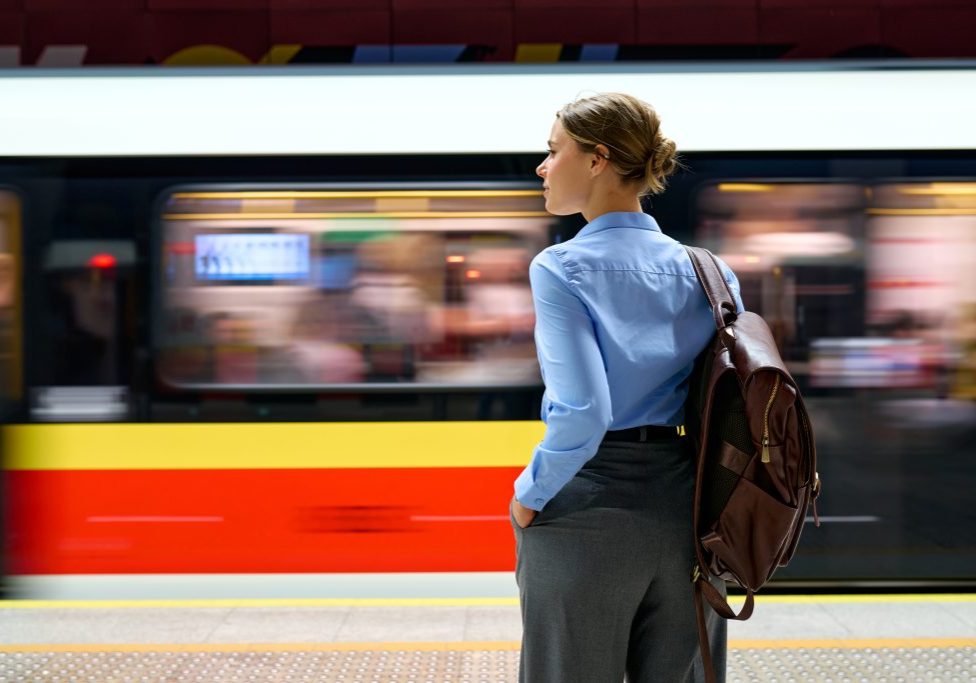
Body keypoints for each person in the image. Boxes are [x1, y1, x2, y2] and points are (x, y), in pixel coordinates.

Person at [510, 92, 744, 682]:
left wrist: (530, 494)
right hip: (692, 509)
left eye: (553, 149)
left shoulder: (560, 267)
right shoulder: (710, 270)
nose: (542, 166)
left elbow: (584, 413)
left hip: (588, 505)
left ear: (597, 160)